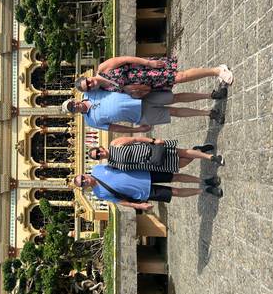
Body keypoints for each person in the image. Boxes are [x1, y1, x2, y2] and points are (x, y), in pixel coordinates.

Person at [61, 88, 225, 133]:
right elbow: (114, 128)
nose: (74, 106)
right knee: (173, 112)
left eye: (72, 103)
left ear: (74, 99)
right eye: (72, 109)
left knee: (175, 97)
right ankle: (209, 114)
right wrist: (137, 129)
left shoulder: (89, 92)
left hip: (140, 96)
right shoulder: (91, 121)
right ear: (74, 113)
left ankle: (210, 95)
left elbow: (108, 81)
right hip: (140, 115)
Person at [73, 164, 223, 211]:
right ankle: (204, 190)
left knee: (175, 176)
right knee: (174, 192)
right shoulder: (99, 193)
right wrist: (138, 206)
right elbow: (120, 201)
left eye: (82, 178)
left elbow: (119, 163)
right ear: (84, 187)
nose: (84, 181)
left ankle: (204, 181)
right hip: (142, 192)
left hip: (144, 174)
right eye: (82, 183)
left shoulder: (98, 169)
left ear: (83, 174)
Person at [74, 56, 233, 99]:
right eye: (88, 86)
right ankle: (216, 71)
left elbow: (125, 59)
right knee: (179, 79)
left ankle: (217, 70)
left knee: (180, 76)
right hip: (147, 84)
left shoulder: (102, 69)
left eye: (87, 81)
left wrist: (148, 63)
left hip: (146, 70)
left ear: (87, 77)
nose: (90, 83)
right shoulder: (105, 89)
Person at [87, 137, 224, 172]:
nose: (100, 154)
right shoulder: (112, 165)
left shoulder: (115, 143)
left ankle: (211, 158)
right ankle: (198, 150)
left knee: (182, 152)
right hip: (153, 164)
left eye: (98, 151)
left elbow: (135, 140)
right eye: (97, 156)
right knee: (182, 163)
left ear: (101, 148)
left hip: (152, 150)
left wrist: (153, 141)